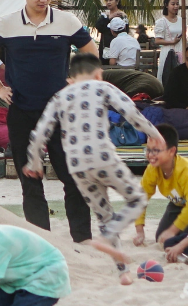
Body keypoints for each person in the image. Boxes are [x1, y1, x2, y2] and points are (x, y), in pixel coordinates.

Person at [0, 0, 99, 242]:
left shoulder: (67, 21)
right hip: (21, 112)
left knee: (73, 177)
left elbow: (91, 50)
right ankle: (40, 238)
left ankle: (82, 239)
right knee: (30, 181)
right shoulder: (6, 23)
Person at [22, 54, 161, 283]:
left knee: (104, 214)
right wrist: (155, 134)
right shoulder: (102, 86)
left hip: (76, 165)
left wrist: (34, 162)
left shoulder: (60, 96)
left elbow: (40, 133)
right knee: (137, 199)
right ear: (98, 74)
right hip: (103, 157)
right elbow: (131, 113)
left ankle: (122, 272)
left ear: (70, 79)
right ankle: (107, 238)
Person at [132, 124, 188, 247]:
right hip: (178, 203)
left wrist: (172, 231)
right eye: (148, 149)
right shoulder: (152, 169)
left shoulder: (186, 169)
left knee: (183, 240)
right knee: (161, 238)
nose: (150, 155)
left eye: (155, 150)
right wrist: (140, 231)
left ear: (172, 151)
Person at [153, 0, 185, 80]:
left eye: (177, 4)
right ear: (166, 5)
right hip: (168, 51)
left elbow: (185, 37)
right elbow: (157, 40)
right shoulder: (161, 22)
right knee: (167, 76)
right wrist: (172, 42)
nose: (176, 6)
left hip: (181, 51)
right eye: (173, 4)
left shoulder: (182, 20)